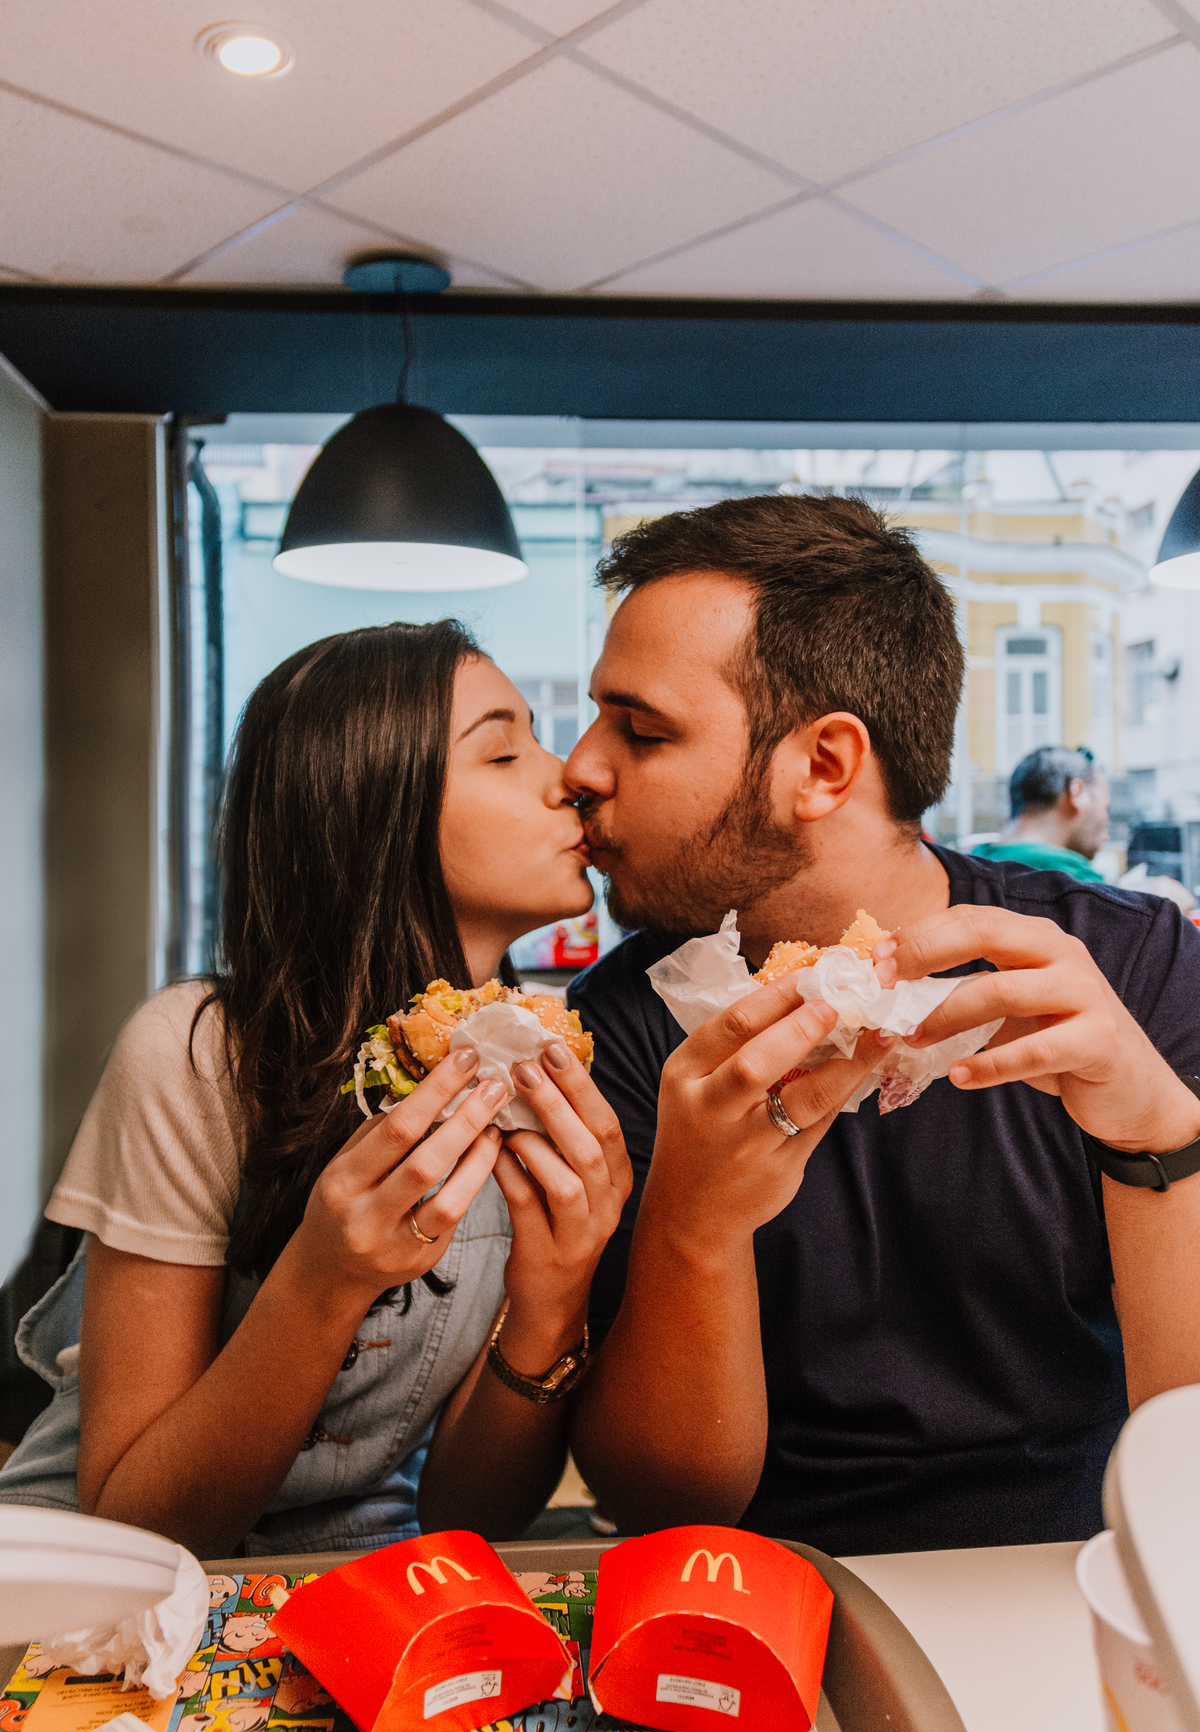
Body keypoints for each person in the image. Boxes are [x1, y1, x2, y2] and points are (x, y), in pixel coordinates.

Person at [563, 494, 1200, 1556]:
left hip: (1088, 1583)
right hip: (770, 1601)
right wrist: (693, 1228)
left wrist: (1155, 1138)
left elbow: (1185, 1451)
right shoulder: (631, 1021)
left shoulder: (1126, 966)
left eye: (641, 730)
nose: (578, 767)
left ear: (824, 765)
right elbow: (665, 1505)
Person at [0, 621, 630, 1557]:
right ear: (375, 810)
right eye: (503, 751)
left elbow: (472, 1520)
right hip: (99, 1570)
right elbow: (138, 1525)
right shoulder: (198, 1055)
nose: (568, 775)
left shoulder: (551, 1063)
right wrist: (324, 1280)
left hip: (364, 1565)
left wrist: (553, 1298)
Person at [972, 744, 1109, 882]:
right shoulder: (1087, 889)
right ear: (1077, 793)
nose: (1106, 836)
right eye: (1105, 809)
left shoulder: (967, 870)